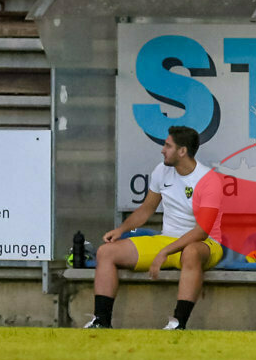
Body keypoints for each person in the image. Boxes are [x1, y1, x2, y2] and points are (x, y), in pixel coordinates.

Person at [86, 126, 224, 330]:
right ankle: (101, 321)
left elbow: (201, 231)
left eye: (168, 145)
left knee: (191, 252)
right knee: (106, 252)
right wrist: (121, 230)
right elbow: (146, 209)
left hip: (205, 243)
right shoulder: (162, 170)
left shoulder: (209, 180)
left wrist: (165, 252)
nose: (162, 150)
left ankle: (178, 324)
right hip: (167, 240)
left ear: (182, 151)